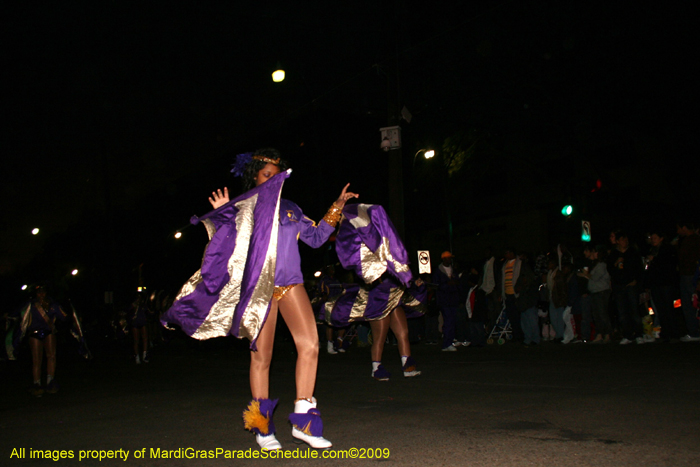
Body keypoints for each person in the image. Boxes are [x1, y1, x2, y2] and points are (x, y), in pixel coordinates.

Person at [163, 148, 358, 450]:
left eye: (277, 174)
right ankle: (262, 427)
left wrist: (336, 206)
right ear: (255, 176)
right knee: (261, 357)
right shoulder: (247, 207)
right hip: (260, 289)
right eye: (267, 174)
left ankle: (305, 423)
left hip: (292, 284)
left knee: (310, 345)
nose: (273, 178)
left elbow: (317, 238)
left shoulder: (291, 207)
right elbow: (229, 246)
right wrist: (225, 213)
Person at [17, 286, 68, 396]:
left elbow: (63, 316)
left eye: (43, 292)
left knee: (51, 356)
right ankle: (37, 384)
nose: (41, 295)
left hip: (48, 331)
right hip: (34, 332)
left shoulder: (53, 304)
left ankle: (50, 381)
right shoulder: (31, 305)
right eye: (39, 293)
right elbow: (19, 314)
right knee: (37, 359)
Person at [676, 221, 700, 342]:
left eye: (679, 228)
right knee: (693, 303)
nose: (678, 232)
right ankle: (694, 331)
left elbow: (682, 258)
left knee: (690, 304)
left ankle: (694, 331)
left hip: (689, 276)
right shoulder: (694, 239)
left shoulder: (690, 240)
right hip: (692, 275)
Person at [434, 251, 461, 351]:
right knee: (448, 320)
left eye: (450, 258)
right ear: (443, 259)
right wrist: (448, 284)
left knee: (452, 320)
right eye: (448, 258)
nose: (450, 260)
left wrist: (455, 283)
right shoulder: (438, 271)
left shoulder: (453, 270)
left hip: (453, 299)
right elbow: (437, 285)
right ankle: (446, 343)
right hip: (444, 300)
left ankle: (449, 341)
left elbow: (458, 282)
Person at [129, 294, 150, 363]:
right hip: (135, 323)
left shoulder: (143, 305)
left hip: (142, 322)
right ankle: (137, 356)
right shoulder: (133, 305)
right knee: (136, 340)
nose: (139, 299)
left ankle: (144, 355)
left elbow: (148, 312)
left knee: (145, 338)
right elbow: (128, 312)